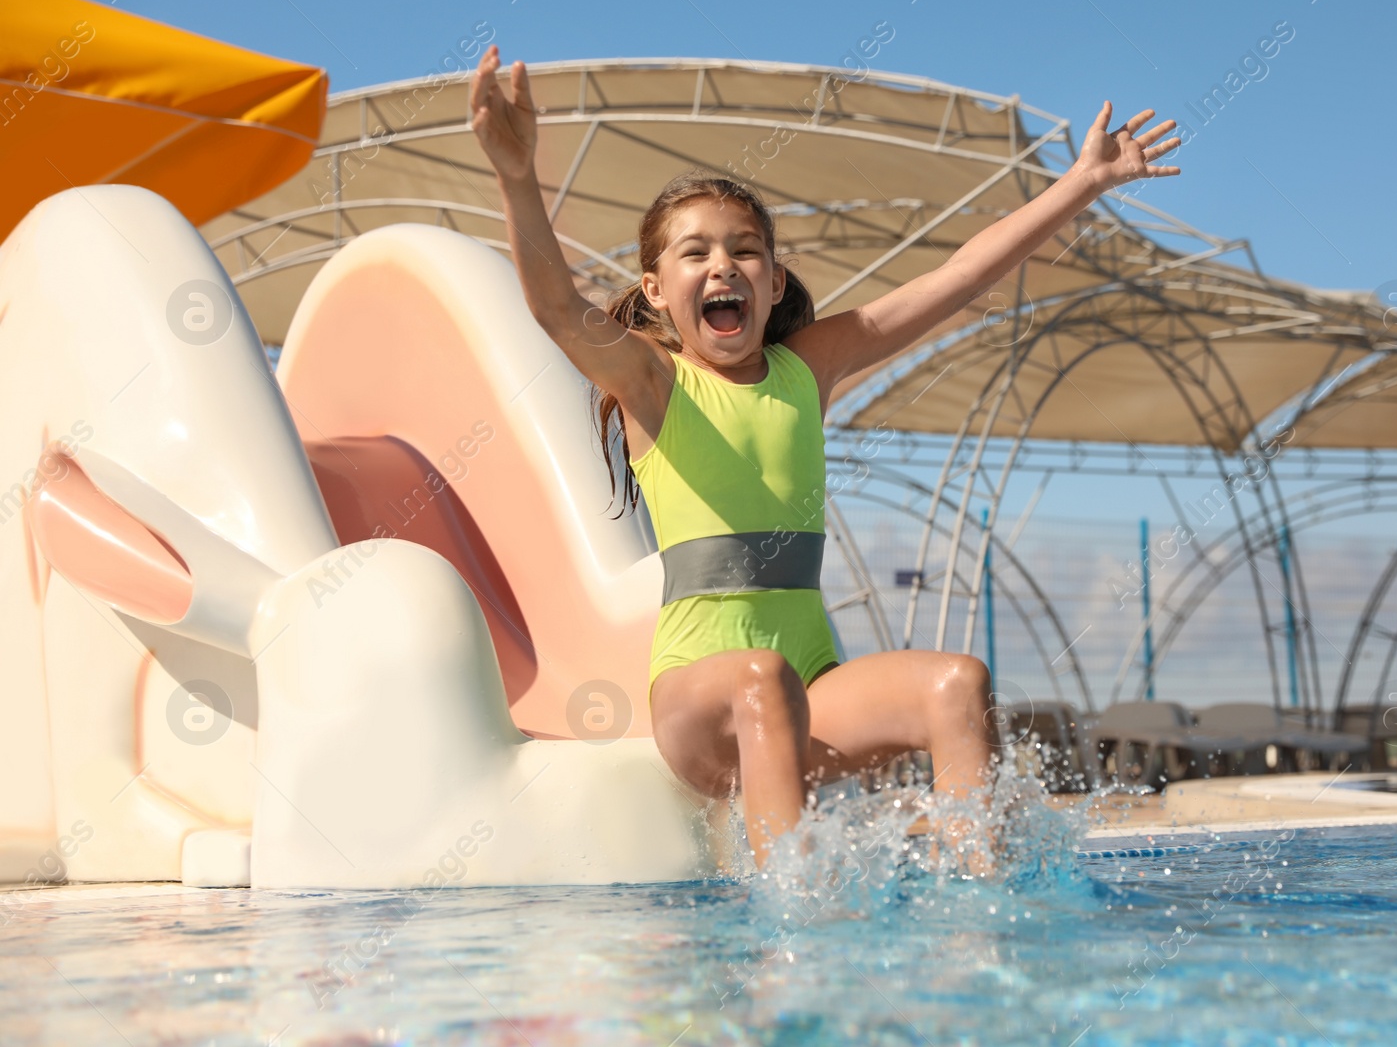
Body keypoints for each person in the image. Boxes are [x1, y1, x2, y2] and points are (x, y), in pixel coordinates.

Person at [469, 46, 1180, 870]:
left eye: (744, 250)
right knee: (760, 676)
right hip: (699, 697)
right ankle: (793, 938)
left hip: (810, 683)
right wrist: (517, 176)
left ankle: (981, 925)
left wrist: (1082, 183)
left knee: (959, 681)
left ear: (772, 282)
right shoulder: (653, 381)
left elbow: (954, 279)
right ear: (658, 290)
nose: (722, 265)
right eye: (694, 252)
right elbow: (558, 306)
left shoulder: (807, 368)